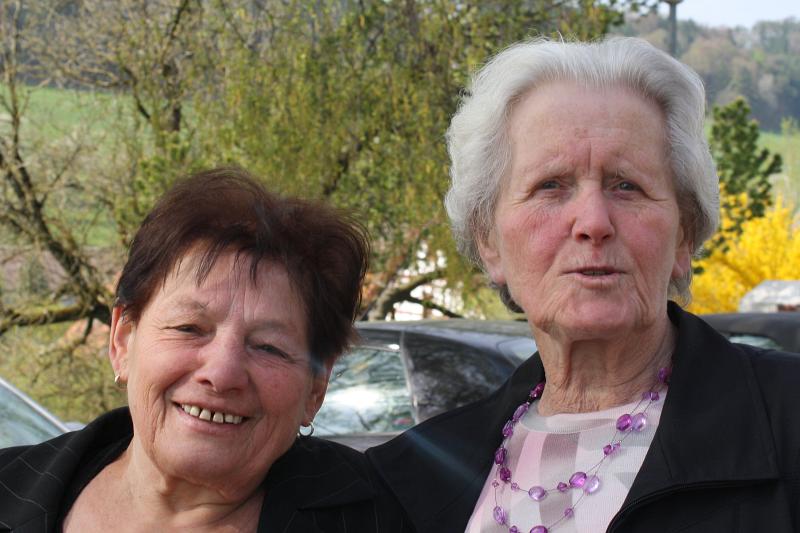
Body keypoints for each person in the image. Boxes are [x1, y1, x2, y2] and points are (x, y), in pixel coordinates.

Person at [367, 37, 800, 532]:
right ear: (488, 241)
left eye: (627, 185)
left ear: (684, 235)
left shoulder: (788, 420)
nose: (593, 222)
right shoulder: (412, 479)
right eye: (550, 185)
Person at [0, 168, 411, 532]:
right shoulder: (9, 487)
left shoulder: (382, 521)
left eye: (268, 347)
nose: (222, 373)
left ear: (316, 387)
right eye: (189, 328)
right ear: (122, 340)